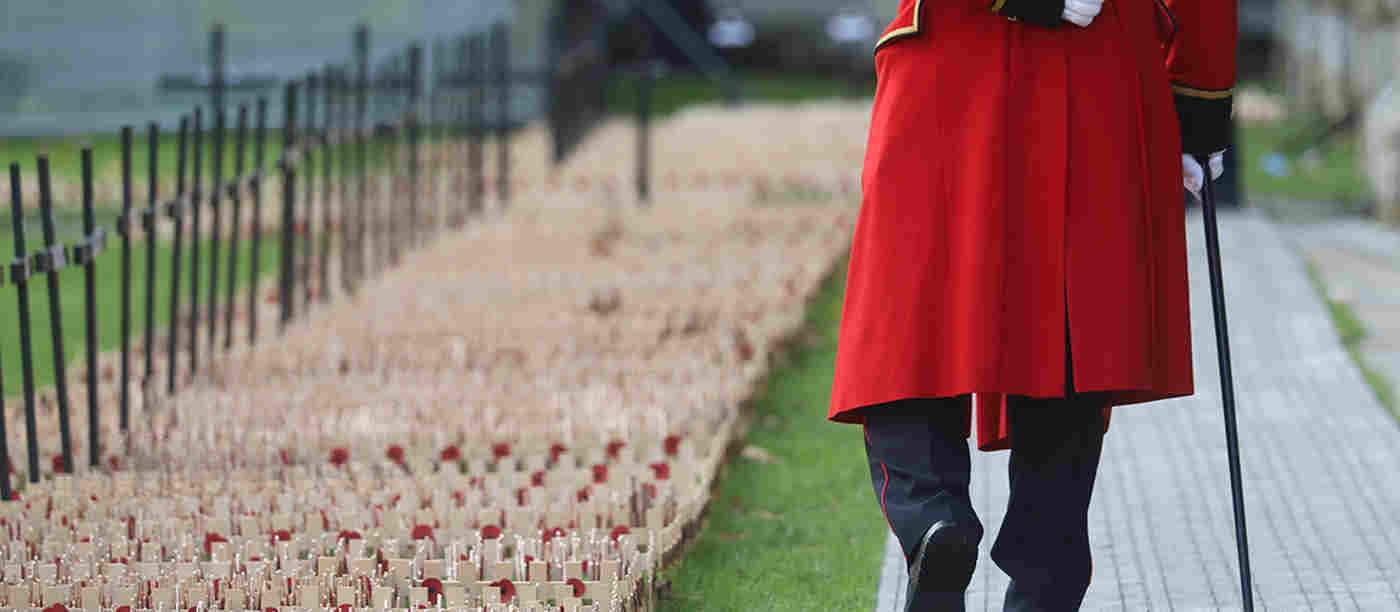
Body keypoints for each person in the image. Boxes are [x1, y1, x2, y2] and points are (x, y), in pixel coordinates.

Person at [827, 0, 1236, 610]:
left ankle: (933, 519)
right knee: (1070, 318)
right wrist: (1196, 97)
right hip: (1102, 62)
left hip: (958, 56)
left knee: (913, 313)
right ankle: (1050, 565)